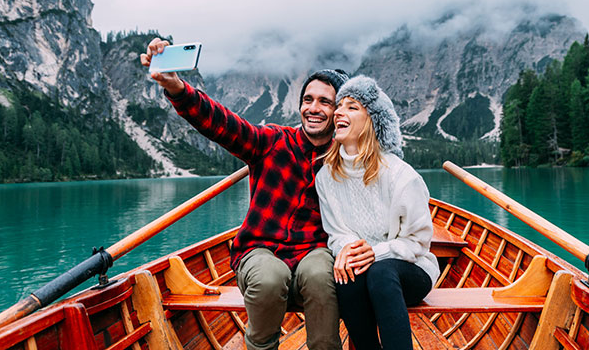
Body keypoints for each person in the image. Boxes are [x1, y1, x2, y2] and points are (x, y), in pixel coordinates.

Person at [141, 38, 346, 350]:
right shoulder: (272, 141)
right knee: (269, 277)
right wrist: (176, 88)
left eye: (324, 102)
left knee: (321, 273)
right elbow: (220, 123)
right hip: (259, 251)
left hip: (313, 251)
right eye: (308, 99)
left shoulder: (348, 160)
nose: (313, 108)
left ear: (337, 112)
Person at [315, 75, 440, 350]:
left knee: (380, 273)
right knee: (347, 276)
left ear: (372, 120)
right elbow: (336, 233)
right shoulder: (325, 177)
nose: (338, 112)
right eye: (339, 106)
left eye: (352, 106)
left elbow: (418, 242)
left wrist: (376, 252)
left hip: (411, 270)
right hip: (363, 269)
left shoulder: (400, 175)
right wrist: (348, 250)